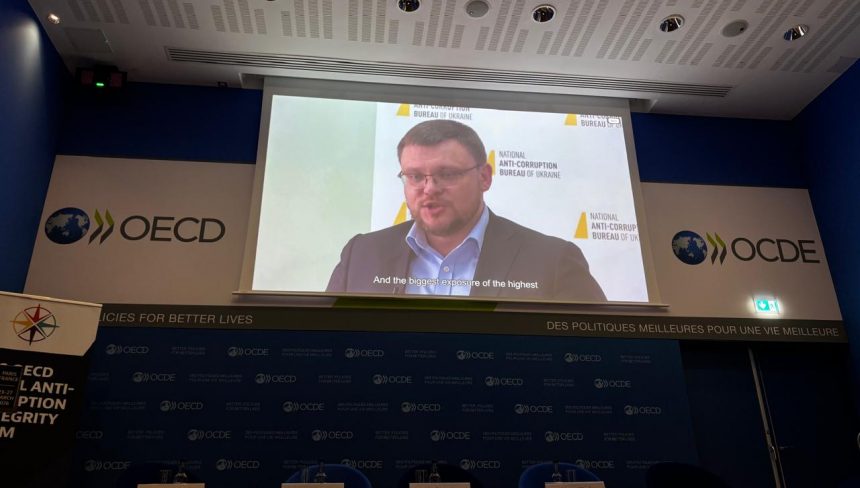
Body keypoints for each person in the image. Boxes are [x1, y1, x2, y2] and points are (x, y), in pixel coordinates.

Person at [326, 119, 606, 302]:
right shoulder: (360, 254)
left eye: (447, 174)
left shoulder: (552, 261)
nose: (429, 188)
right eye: (415, 176)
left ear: (484, 177)